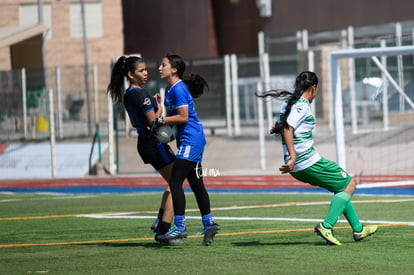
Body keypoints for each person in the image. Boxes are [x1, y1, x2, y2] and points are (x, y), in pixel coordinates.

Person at [255, 71, 378, 245]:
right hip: (306, 161)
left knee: (340, 188)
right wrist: (293, 156)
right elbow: (287, 128)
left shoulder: (289, 104)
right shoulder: (301, 105)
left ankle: (358, 229)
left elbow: (282, 126)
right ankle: (326, 226)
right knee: (349, 184)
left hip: (299, 166)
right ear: (314, 88)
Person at [152, 54, 220, 246]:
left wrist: (162, 121)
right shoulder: (170, 89)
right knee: (197, 185)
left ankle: (180, 227)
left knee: (175, 181)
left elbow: (183, 117)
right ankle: (209, 224)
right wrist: (160, 113)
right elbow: (175, 121)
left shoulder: (179, 89)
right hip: (187, 141)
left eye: (163, 65)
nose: (159, 68)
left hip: (192, 141)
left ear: (174, 69)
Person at [107, 55, 175, 242]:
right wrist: (160, 108)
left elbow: (133, 121)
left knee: (174, 181)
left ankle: (160, 219)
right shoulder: (140, 94)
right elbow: (154, 123)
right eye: (141, 71)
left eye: (146, 69)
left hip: (144, 144)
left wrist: (153, 105)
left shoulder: (129, 94)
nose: (146, 73)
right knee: (177, 183)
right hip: (154, 143)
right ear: (130, 74)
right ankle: (163, 230)